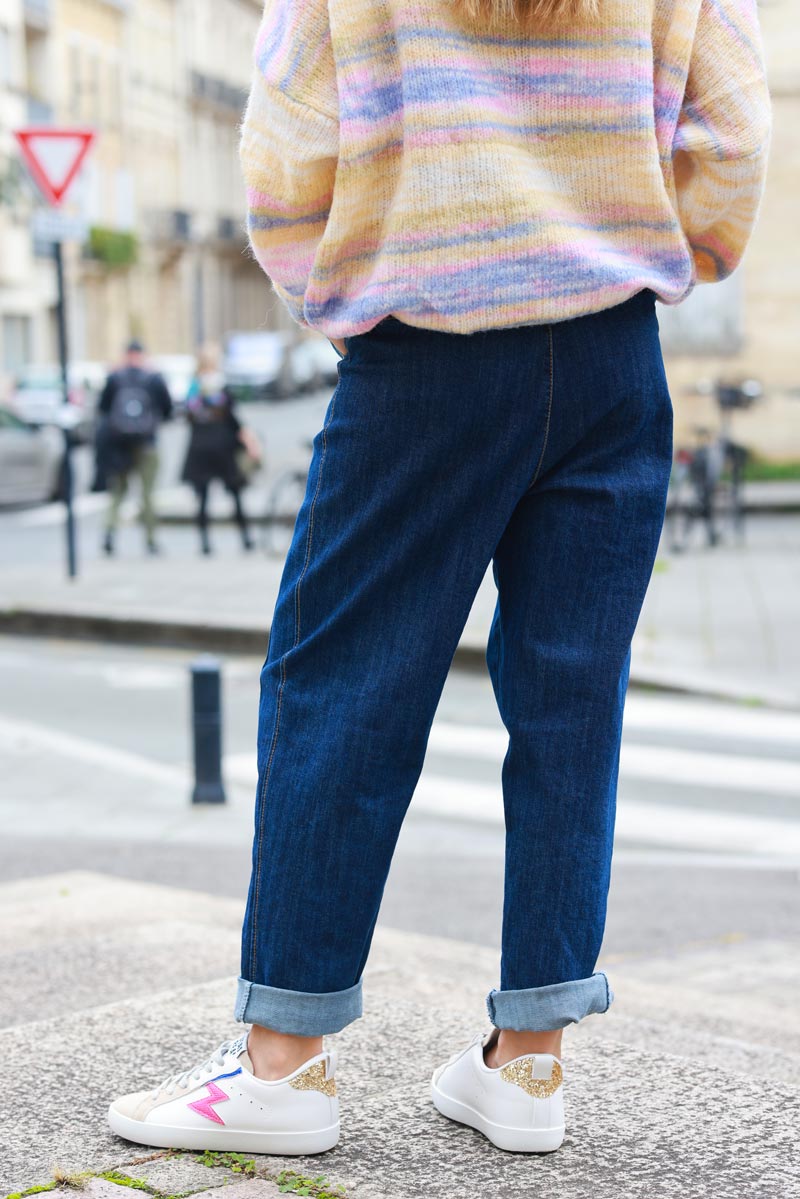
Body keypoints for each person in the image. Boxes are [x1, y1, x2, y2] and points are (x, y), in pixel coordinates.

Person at [108, 0, 770, 1158]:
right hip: (615, 351)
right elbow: (729, 141)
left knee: (343, 689)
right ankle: (529, 1062)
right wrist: (654, 249)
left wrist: (349, 294)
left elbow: (286, 151)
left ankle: (282, 1060)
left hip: (426, 350)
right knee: (571, 701)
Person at [98, 339, 173, 556]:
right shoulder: (153, 379)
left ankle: (109, 534)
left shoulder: (114, 378)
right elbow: (167, 410)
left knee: (118, 492)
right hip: (147, 444)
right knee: (147, 494)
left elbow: (103, 409)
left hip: (119, 445)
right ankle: (150, 540)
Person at [181, 346, 257, 555]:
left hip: (200, 448)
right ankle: (246, 539)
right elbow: (233, 419)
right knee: (235, 493)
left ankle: (205, 543)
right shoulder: (221, 387)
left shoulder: (192, 389)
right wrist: (248, 440)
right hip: (223, 447)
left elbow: (187, 418)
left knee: (203, 498)